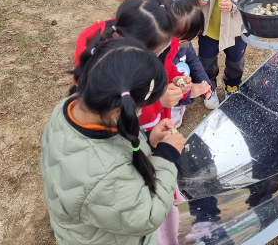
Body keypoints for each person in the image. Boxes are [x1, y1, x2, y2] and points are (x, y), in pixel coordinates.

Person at [40, 38, 187, 245]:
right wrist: (166, 157)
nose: (140, 111)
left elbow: (116, 159)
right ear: (119, 108)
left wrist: (150, 142)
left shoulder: (69, 107)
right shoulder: (104, 173)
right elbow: (146, 216)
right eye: (140, 107)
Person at [73, 0, 209, 129]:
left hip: (153, 124)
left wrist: (174, 77)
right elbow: (120, 109)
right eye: (156, 53)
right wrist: (158, 102)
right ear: (137, 49)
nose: (161, 53)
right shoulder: (110, 69)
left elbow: (165, 64)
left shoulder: (158, 33)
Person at [157, 0, 217, 126]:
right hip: (158, 98)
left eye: (189, 40)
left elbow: (192, 59)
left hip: (177, 88)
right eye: (182, 40)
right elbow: (155, 89)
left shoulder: (183, 42)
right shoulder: (154, 54)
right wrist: (188, 93)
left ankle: (177, 107)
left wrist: (204, 81)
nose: (184, 44)